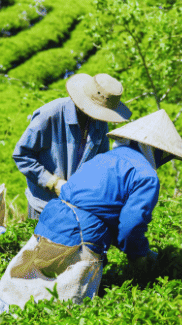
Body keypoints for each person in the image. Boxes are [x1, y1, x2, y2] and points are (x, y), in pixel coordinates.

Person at [0, 109, 182, 314]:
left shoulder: (104, 158)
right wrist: (139, 258)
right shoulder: (146, 175)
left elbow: (94, 205)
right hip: (81, 237)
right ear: (157, 151)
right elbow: (131, 226)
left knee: (26, 287)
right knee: (65, 310)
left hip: (49, 223)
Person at [13, 73, 131, 220]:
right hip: (44, 207)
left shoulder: (100, 123)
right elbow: (21, 155)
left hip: (76, 209)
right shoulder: (50, 115)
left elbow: (101, 164)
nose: (100, 117)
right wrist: (53, 182)